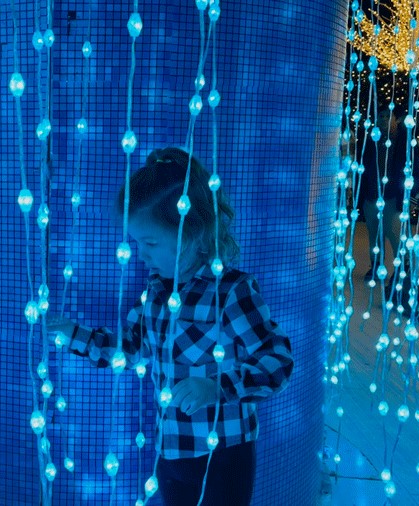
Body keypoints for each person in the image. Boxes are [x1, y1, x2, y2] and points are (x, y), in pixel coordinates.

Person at [46, 147, 293, 506]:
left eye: (149, 242)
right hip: (171, 450)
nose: (141, 254)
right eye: (136, 242)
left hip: (222, 454)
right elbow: (130, 351)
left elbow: (278, 359)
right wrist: (73, 335)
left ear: (190, 233)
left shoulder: (231, 292)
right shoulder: (156, 291)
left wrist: (217, 386)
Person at [356, 105, 416, 284]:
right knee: (374, 234)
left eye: (387, 116)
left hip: (393, 197)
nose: (382, 119)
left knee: (395, 234)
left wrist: (411, 197)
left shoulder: (407, 143)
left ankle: (402, 269)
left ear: (396, 120)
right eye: (380, 116)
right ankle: (375, 266)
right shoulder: (370, 141)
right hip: (372, 196)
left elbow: (417, 171)